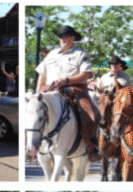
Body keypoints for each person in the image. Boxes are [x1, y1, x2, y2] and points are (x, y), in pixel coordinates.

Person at [35, 25, 100, 162]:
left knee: (90, 113)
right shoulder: (51, 54)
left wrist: (66, 80)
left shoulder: (81, 54)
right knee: (33, 113)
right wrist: (38, 93)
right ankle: (31, 144)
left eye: (66, 36)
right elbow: (42, 74)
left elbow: (86, 74)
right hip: (50, 91)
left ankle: (91, 145)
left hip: (74, 90)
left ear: (73, 38)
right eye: (61, 37)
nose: (62, 39)